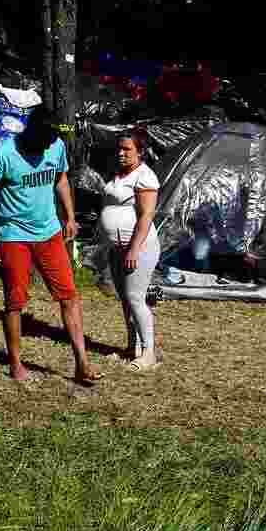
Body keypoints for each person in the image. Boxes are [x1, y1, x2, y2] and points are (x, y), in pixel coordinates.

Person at [0, 105, 103, 385]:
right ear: (31, 132)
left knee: (70, 296)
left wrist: (69, 216)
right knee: (15, 301)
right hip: (13, 235)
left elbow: (61, 179)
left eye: (51, 141)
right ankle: (16, 364)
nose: (48, 146)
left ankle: (82, 362)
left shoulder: (55, 146)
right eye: (44, 141)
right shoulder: (4, 153)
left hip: (49, 233)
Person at [100, 130, 161, 370]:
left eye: (127, 149)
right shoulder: (118, 174)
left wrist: (134, 251)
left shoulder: (145, 177)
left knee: (136, 298)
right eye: (120, 149)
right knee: (125, 300)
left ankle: (149, 353)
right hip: (117, 247)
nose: (121, 153)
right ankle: (132, 347)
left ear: (140, 151)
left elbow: (146, 216)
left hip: (139, 247)